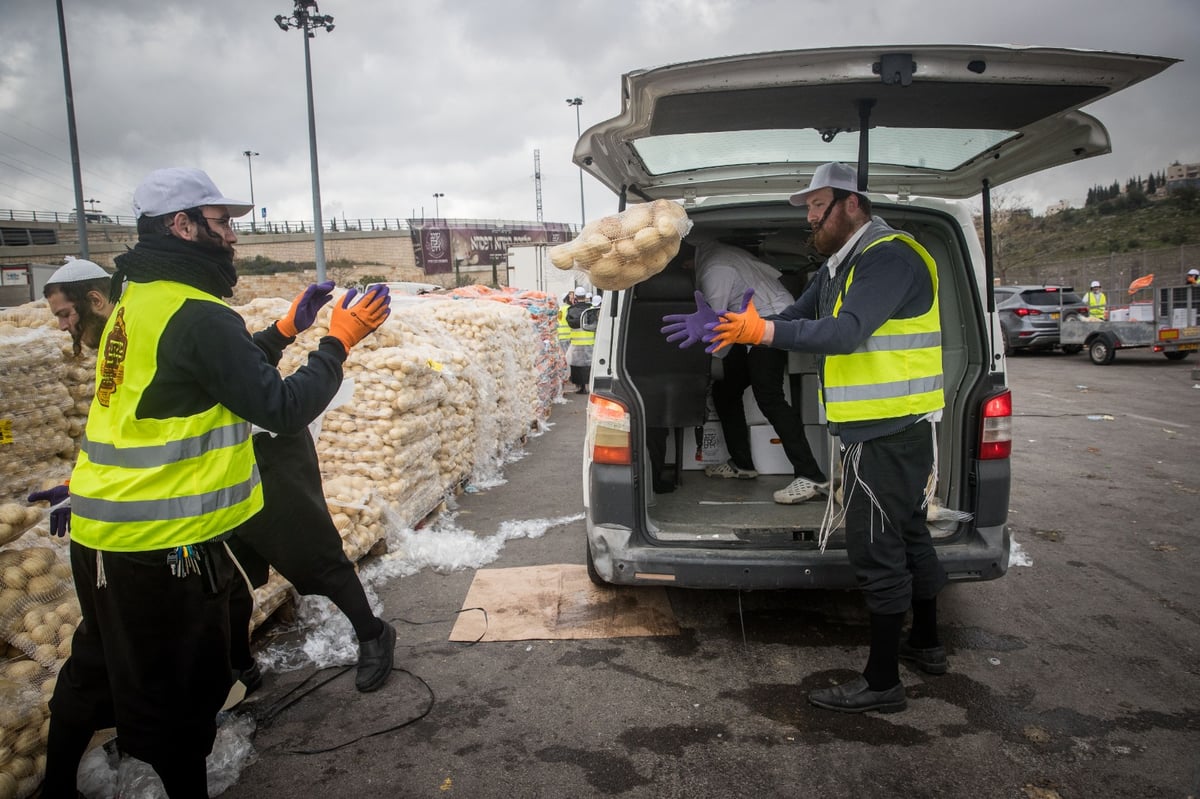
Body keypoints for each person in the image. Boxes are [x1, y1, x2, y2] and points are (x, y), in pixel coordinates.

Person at [42, 167, 392, 798]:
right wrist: (339, 342)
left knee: (93, 666)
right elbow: (281, 407)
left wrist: (285, 330)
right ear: (183, 225)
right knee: (177, 695)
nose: (233, 235)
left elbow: (187, 378)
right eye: (223, 222)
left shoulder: (138, 300)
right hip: (160, 540)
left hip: (99, 535)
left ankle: (58, 785)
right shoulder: (197, 312)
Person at [705, 162, 947, 714]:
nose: (810, 217)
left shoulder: (890, 256)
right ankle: (927, 644)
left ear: (853, 205)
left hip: (892, 431)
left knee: (876, 549)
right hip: (876, 428)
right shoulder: (839, 266)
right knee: (909, 534)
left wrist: (763, 329)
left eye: (819, 206)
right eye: (809, 208)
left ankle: (883, 681)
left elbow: (844, 333)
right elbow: (794, 316)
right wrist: (734, 330)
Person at [663, 240, 828, 503]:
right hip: (751, 322)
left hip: (772, 319)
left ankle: (812, 476)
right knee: (726, 390)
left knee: (768, 395)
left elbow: (715, 330)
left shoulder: (712, 270)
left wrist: (707, 366)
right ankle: (743, 464)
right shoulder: (714, 251)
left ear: (684, 263)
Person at [42, 258, 112, 356]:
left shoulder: (138, 337)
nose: (62, 327)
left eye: (65, 314)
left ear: (95, 300)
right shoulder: (111, 344)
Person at [567, 291, 595, 394]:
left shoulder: (571, 310)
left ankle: (580, 386)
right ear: (585, 296)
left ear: (576, 297)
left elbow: (569, 323)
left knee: (576, 365)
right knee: (589, 364)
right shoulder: (591, 309)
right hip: (589, 342)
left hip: (576, 342)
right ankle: (589, 385)